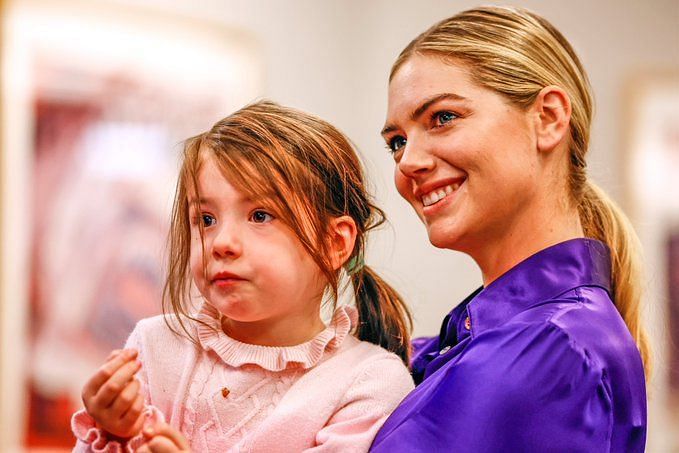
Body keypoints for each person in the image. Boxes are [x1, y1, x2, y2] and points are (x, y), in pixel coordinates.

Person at [370, 6, 648, 452]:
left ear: (549, 118)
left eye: (442, 118)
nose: (408, 162)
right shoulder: (482, 340)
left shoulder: (548, 349)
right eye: (397, 142)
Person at [71, 101, 415, 452]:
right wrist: (112, 431)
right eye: (206, 219)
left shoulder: (368, 381)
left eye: (260, 216)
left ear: (334, 243)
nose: (221, 243)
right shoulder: (153, 346)